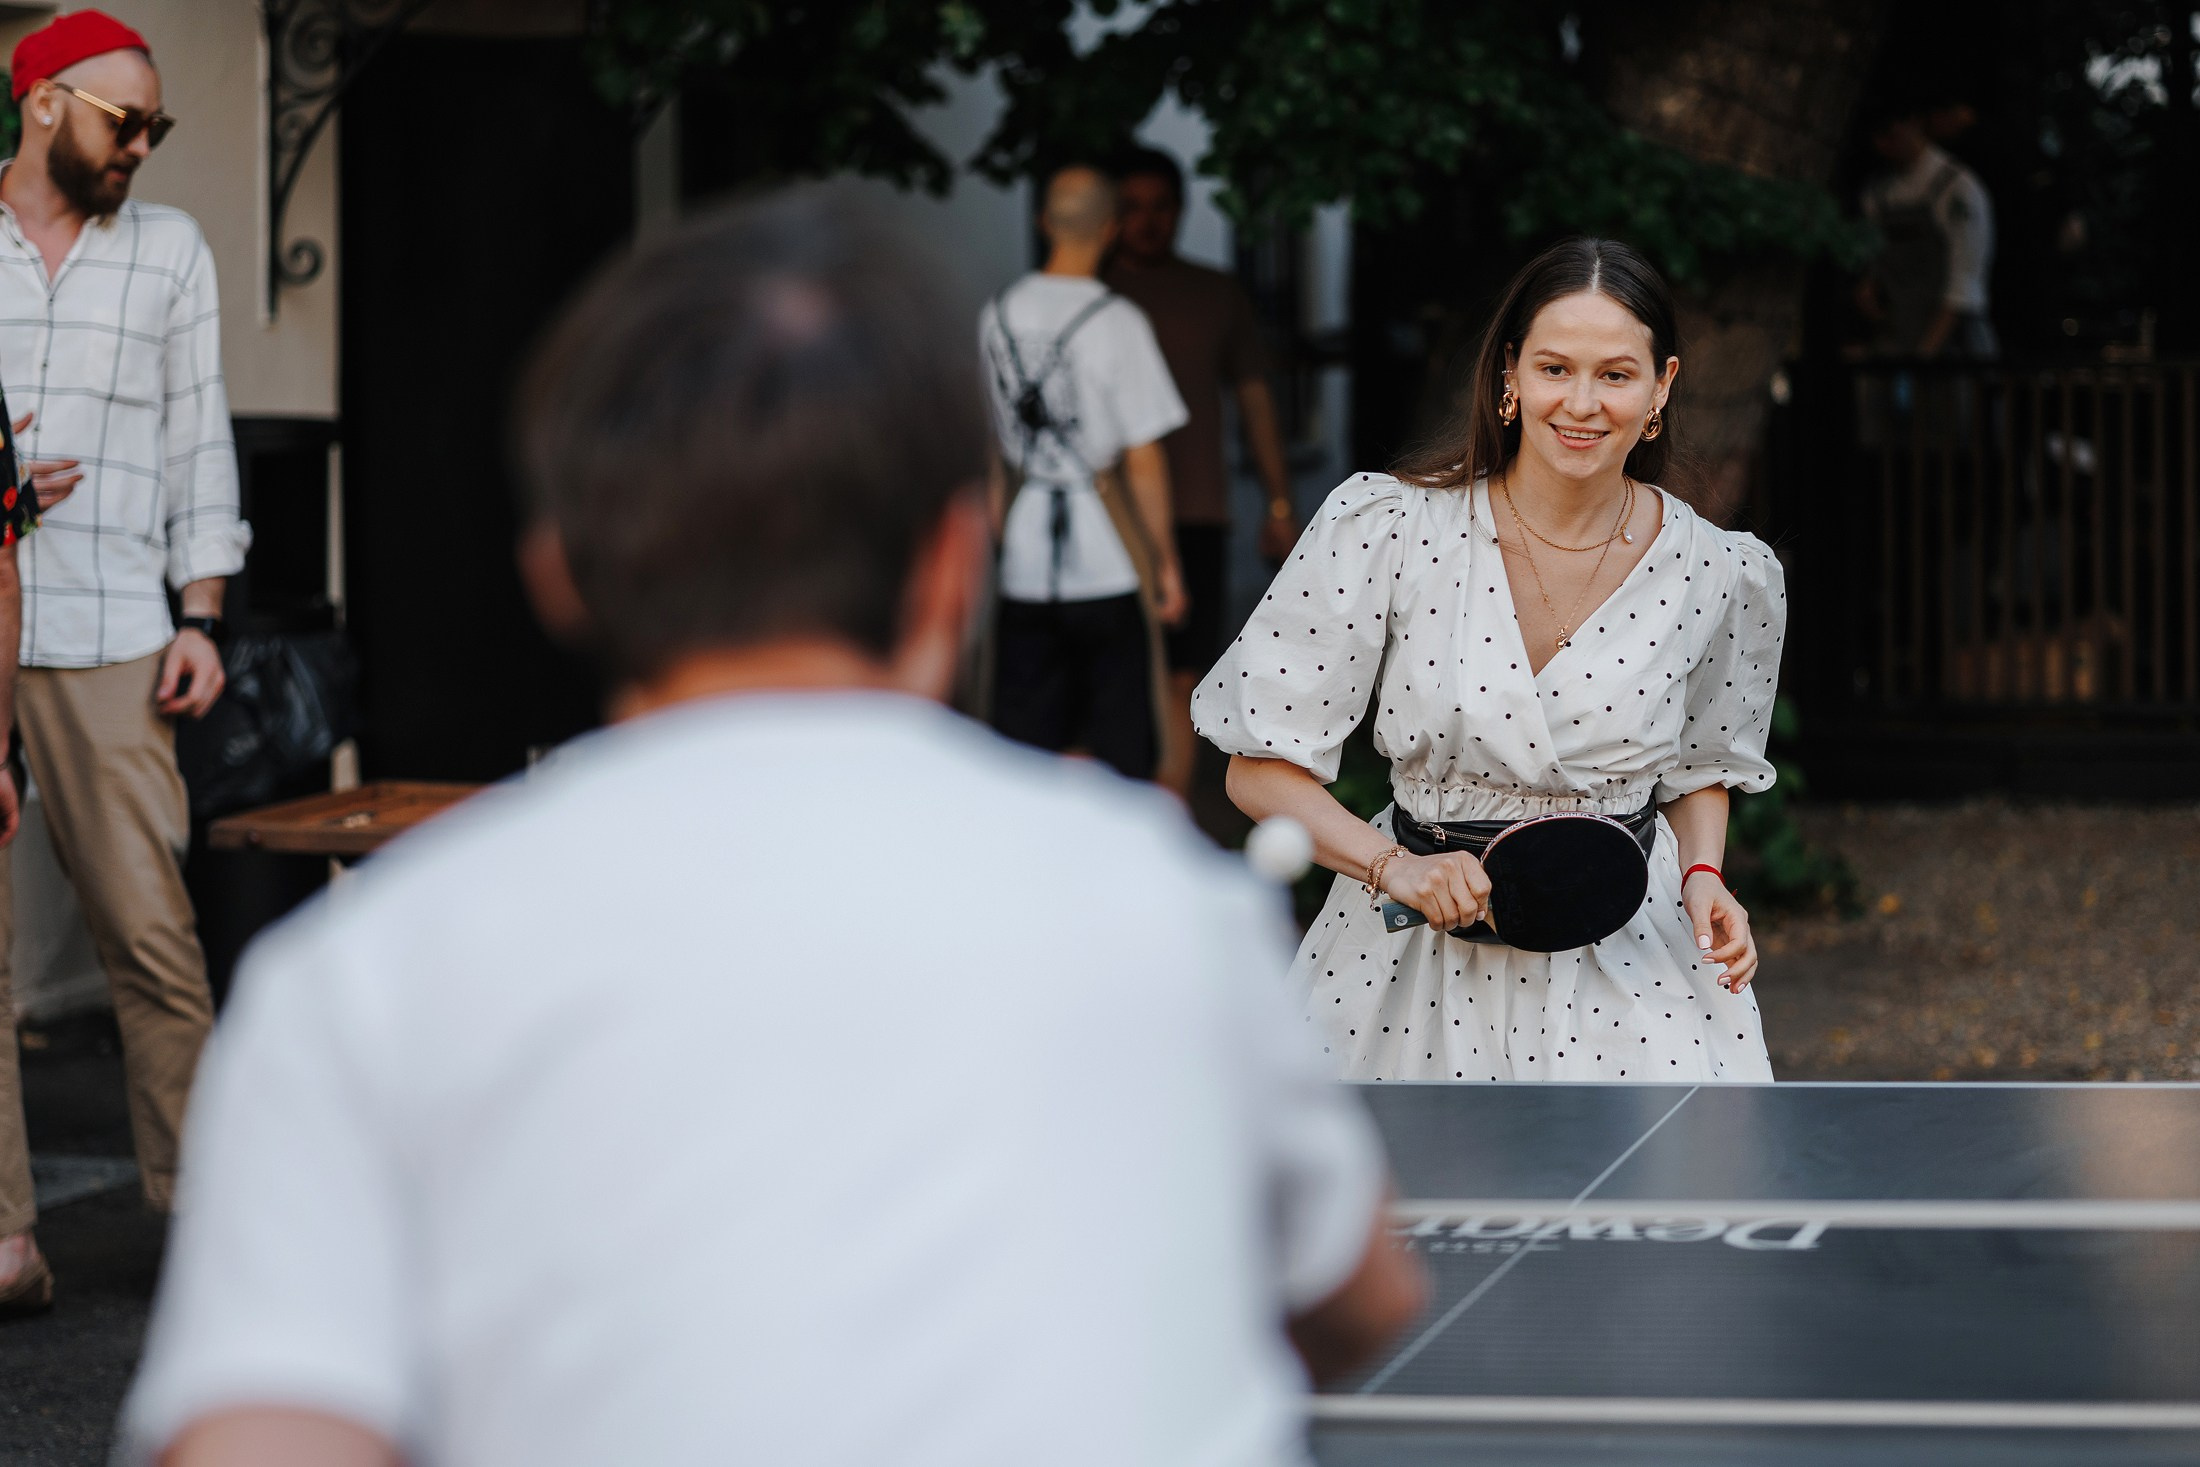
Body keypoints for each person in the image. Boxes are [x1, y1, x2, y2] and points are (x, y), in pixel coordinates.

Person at [118, 188, 1421, 1466]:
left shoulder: (360, 973)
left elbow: (261, 1432)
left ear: (556, 571)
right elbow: (1359, 1295)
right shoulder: (1154, 895)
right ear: (959, 563)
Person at [1197, 237, 1786, 1083]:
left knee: (1648, 1210)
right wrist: (1394, 866)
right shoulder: (1387, 529)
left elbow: (1699, 770)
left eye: (1616, 374)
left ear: (1661, 388)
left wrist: (1702, 875)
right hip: (1407, 966)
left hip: (1631, 961)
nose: (1581, 402)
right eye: (1554, 367)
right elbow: (1257, 771)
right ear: (1510, 375)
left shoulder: (1722, 572)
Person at [0, 10, 249, 1313]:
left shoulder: (171, 252)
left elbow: (198, 432)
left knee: (152, 937)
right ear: (43, 101)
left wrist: (201, 609)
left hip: (110, 627)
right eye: (123, 120)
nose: (143, 146)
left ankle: (216, 1227)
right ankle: (5, 1240)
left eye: (158, 127)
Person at [981, 164, 1188, 782]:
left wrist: (998, 537)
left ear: (1045, 222)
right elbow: (1144, 460)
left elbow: (995, 450)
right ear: (1114, 229)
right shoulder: (1118, 321)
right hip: (1106, 556)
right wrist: (1165, 563)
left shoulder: (995, 315)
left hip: (1023, 551)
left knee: (1022, 751)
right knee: (1120, 747)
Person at [1105, 147, 1297, 798]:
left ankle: (1171, 815)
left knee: (1185, 673)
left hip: (1195, 508)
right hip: (1100, 517)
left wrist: (1278, 503)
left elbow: (1255, 400)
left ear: (1182, 210)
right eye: (1131, 208)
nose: (1148, 222)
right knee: (1111, 674)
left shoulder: (1215, 293)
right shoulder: (1090, 294)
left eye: (1161, 207)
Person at [1858, 98, 1996, 360]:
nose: (1883, 145)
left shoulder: (1957, 188)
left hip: (1954, 346)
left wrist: (1923, 355)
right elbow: (1874, 262)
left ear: (1914, 123)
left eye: (1890, 132)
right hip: (1896, 336)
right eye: (1875, 136)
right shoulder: (1877, 192)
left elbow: (1964, 285)